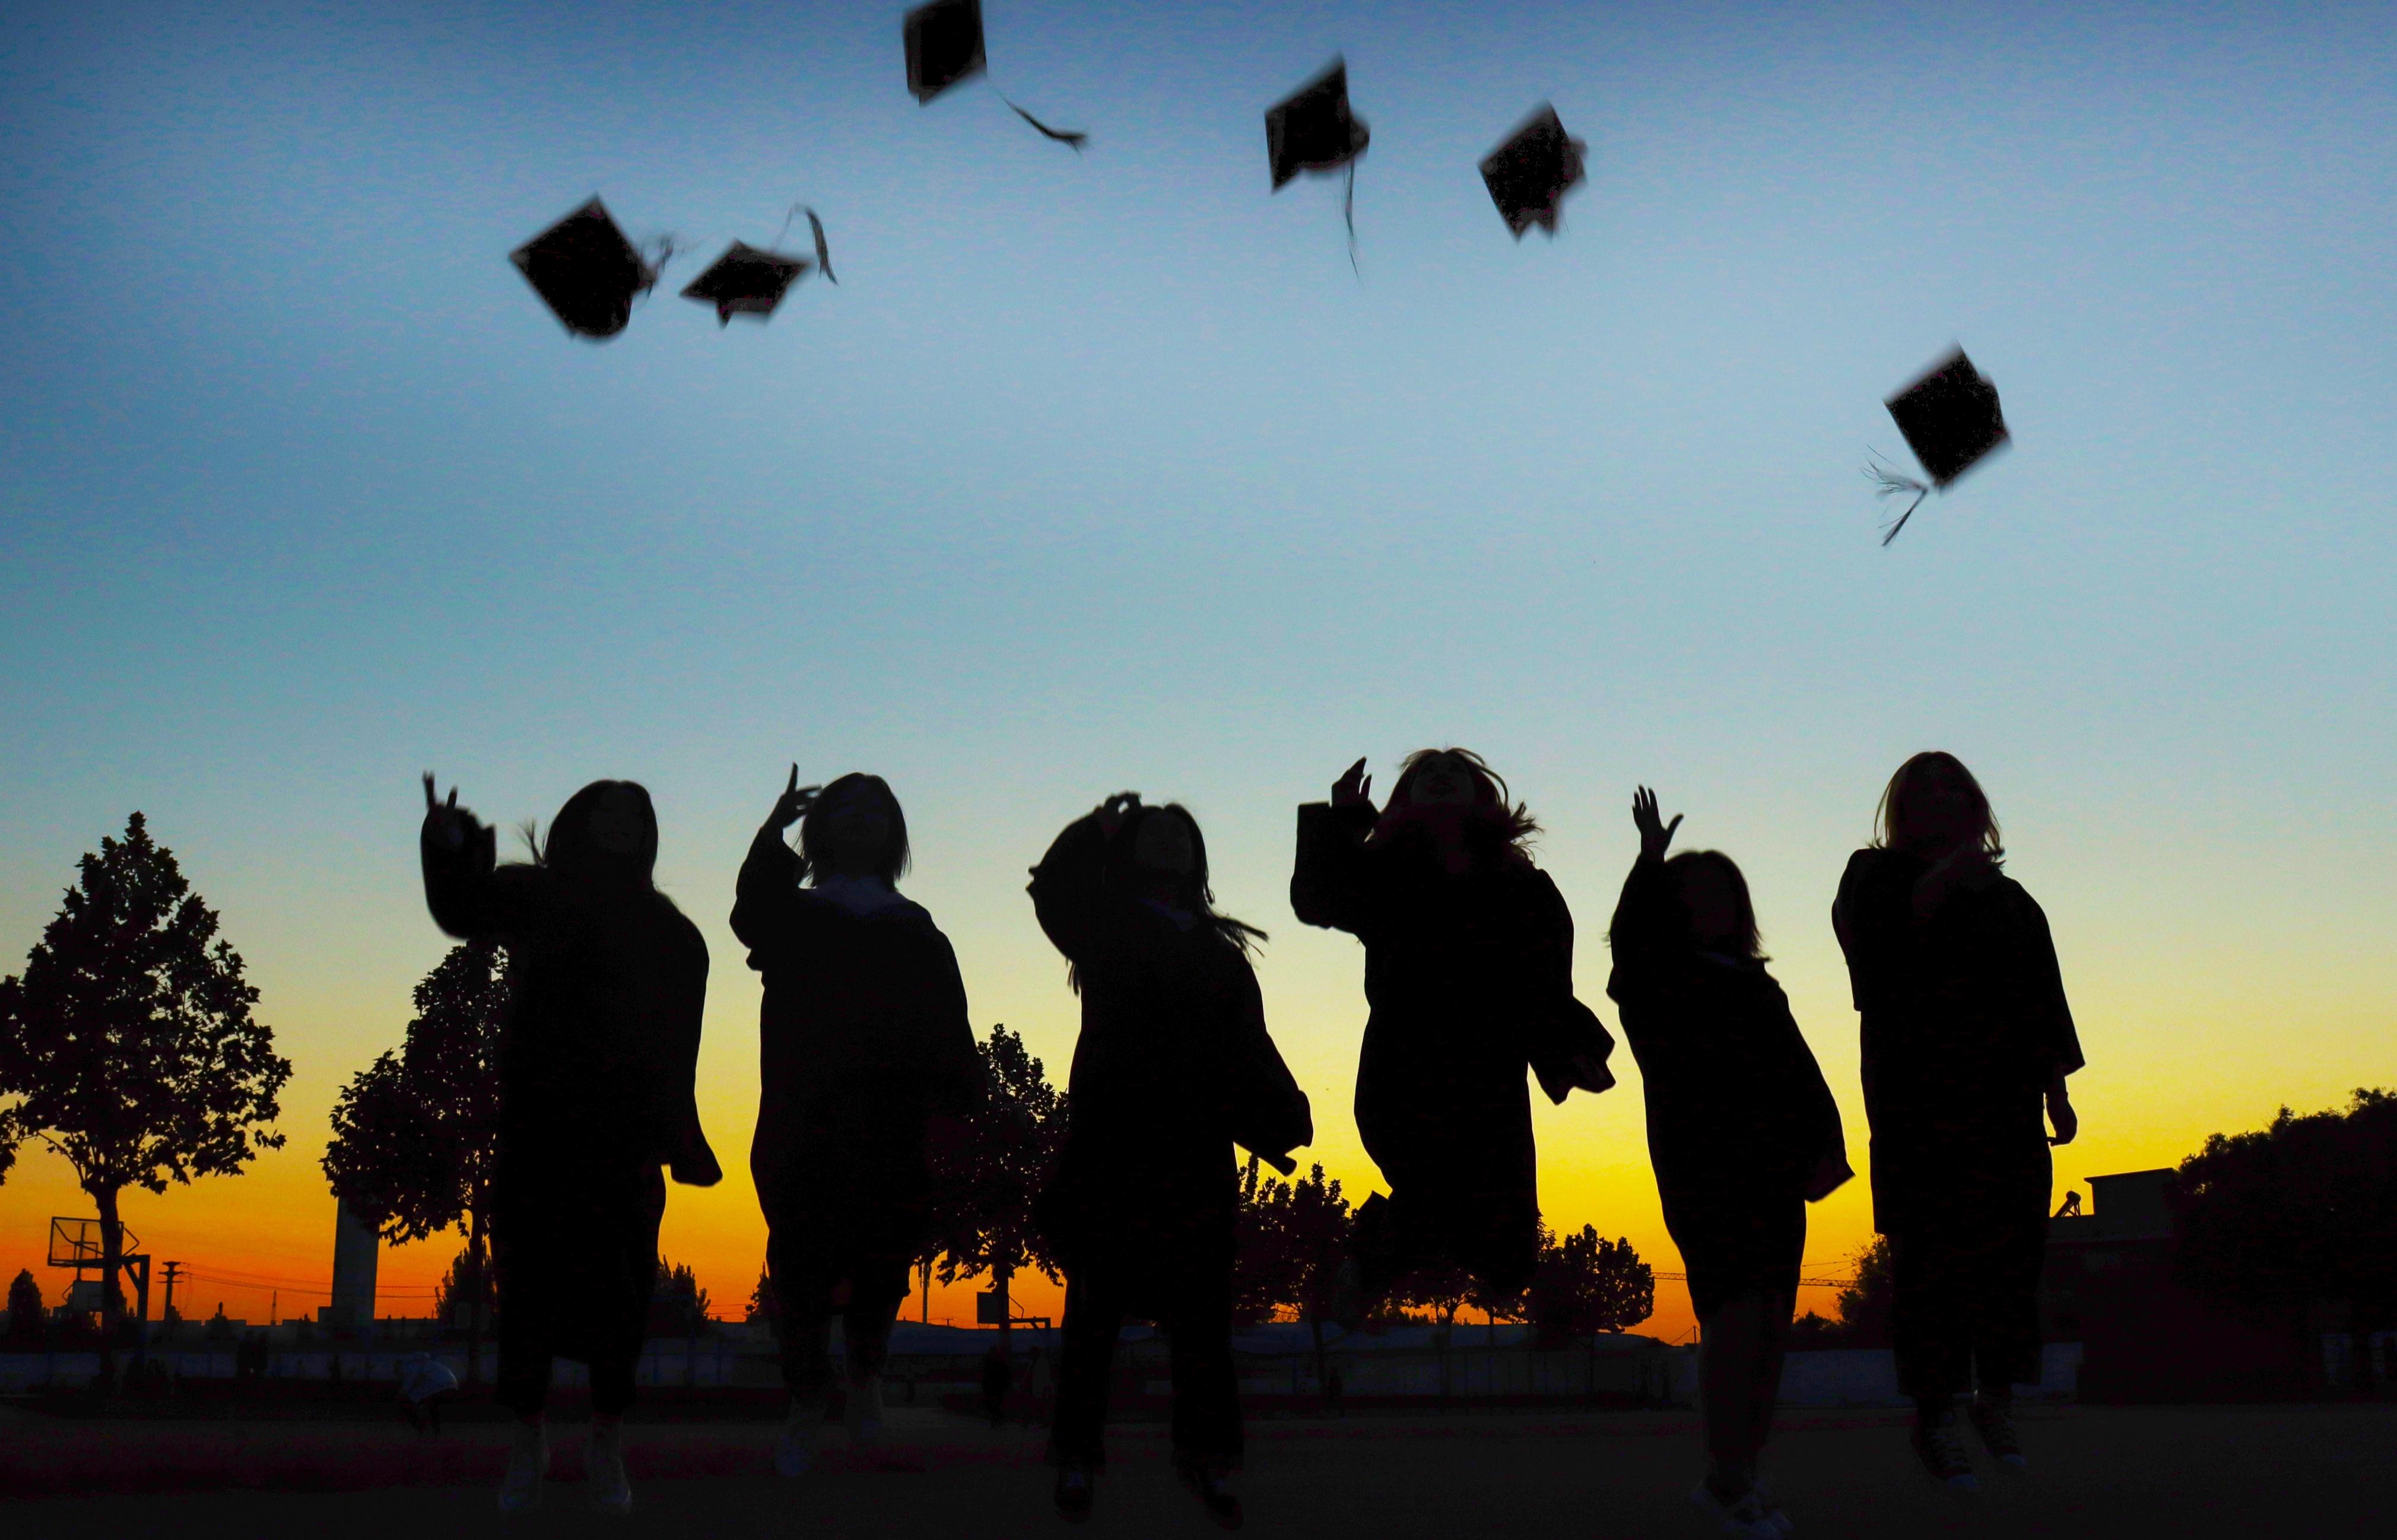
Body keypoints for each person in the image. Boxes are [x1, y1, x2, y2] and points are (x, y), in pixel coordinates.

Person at [420, 774, 719, 1514]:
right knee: (526, 1292)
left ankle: (606, 1441)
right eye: (606, 810)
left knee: (622, 1298)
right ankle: (528, 1443)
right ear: (577, 822)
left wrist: (682, 1134)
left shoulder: (675, 936)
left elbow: (682, 1047)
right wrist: (450, 844)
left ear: (649, 833)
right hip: (537, 1131)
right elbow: (462, 908)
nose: (620, 822)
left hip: (623, 1143)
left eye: (635, 813)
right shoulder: (535, 896)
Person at [1030, 793, 1312, 1529]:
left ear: (1197, 857)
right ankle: (1076, 1458)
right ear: (1126, 852)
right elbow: (1052, 890)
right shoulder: (1103, 929)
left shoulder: (1221, 956)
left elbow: (1249, 1044)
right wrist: (1092, 829)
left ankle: (1208, 1461)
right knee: (1094, 1314)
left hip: (1195, 1151)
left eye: (1178, 833)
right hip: (1112, 1147)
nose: (1167, 841)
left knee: (1201, 1323)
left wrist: (1283, 1113)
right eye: (1150, 833)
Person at [1833, 752, 2082, 1490]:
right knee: (1930, 1259)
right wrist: (1945, 880)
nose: (1942, 802)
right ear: (1903, 809)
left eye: (1956, 790)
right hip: (1919, 1099)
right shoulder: (1872, 875)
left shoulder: (2012, 901)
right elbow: (1872, 957)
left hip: (2004, 1099)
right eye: (1926, 791)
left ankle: (1995, 1401)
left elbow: (2041, 997)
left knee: (2011, 1257)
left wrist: (2055, 1090)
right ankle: (1935, 1415)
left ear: (1975, 807)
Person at [1608, 788, 1850, 1538]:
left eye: (1722, 891)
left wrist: (1825, 1148)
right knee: (1736, 1317)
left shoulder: (1756, 984)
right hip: (1705, 1169)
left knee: (1771, 1326)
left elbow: (1799, 1071)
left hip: (1773, 1175)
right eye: (1692, 890)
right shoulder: (1658, 980)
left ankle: (1739, 1473)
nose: (1708, 902)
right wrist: (1649, 862)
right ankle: (1725, 1476)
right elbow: (1627, 947)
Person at [1290, 749, 1613, 1309]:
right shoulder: (1383, 872)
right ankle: (1366, 1268)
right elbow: (1318, 898)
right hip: (1403, 1059)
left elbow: (1545, 978)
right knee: (1427, 1182)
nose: (1440, 776)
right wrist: (1343, 821)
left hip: (1489, 1065)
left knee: (1505, 1245)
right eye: (1424, 774)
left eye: (1454, 771)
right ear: (1405, 798)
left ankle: (1381, 1263)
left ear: (1481, 794)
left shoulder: (1523, 885)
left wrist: (1565, 1046)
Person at [731, 767, 982, 1477]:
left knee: (881, 1264)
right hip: (803, 1115)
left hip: (892, 1121)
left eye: (878, 809)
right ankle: (808, 1399)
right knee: (802, 1266)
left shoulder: (917, 928)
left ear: (896, 830)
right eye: (847, 807)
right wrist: (770, 831)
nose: (864, 818)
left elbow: (948, 1024)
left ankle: (866, 1381)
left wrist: (963, 1103)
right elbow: (752, 912)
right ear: (821, 828)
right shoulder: (797, 913)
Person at [398, 1350, 459, 1435]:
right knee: (431, 1405)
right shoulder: (433, 1365)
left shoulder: (411, 1366)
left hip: (441, 1389)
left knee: (407, 1401)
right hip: (452, 1388)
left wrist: (401, 1394)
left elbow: (408, 1386)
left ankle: (421, 1428)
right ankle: (435, 1431)